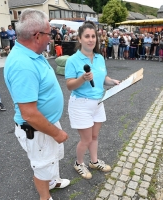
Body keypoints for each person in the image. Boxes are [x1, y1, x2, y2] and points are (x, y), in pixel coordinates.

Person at [4, 9, 70, 200]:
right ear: (36, 35)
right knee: (42, 166)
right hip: (37, 128)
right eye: (49, 34)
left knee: (52, 158)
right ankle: (45, 197)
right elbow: (29, 114)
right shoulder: (22, 64)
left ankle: (53, 181)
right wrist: (57, 133)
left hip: (46, 123)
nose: (51, 38)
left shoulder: (33, 53)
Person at [65, 21, 120, 180]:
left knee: (95, 137)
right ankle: (79, 163)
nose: (91, 39)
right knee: (86, 139)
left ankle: (94, 161)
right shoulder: (73, 60)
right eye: (87, 36)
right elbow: (69, 85)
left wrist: (113, 82)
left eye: (93, 36)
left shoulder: (100, 58)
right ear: (80, 39)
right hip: (80, 104)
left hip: (98, 103)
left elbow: (104, 78)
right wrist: (82, 78)